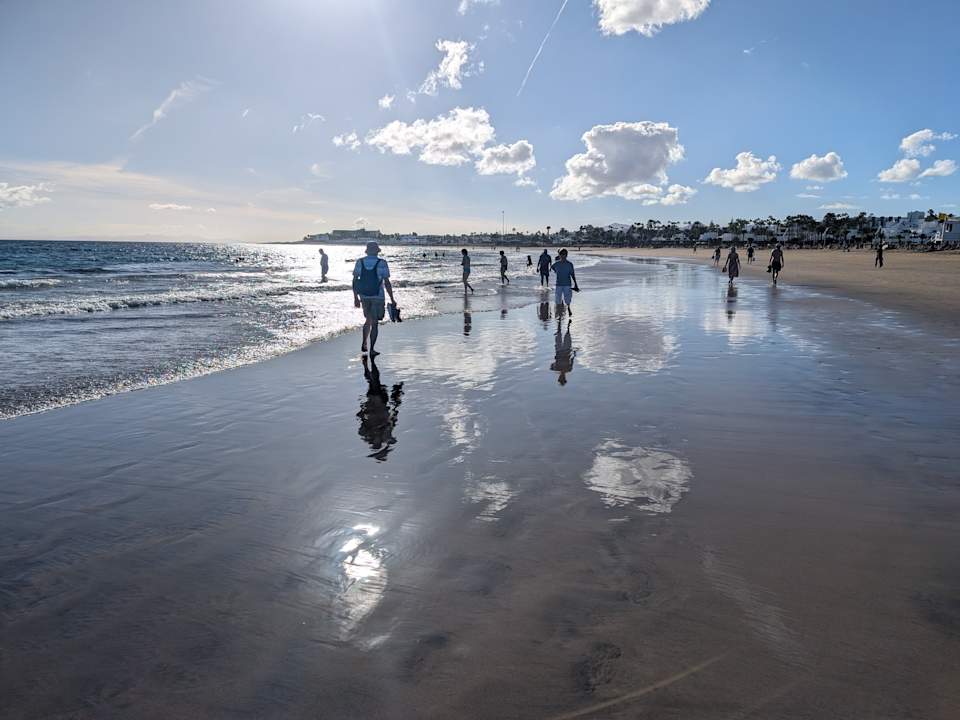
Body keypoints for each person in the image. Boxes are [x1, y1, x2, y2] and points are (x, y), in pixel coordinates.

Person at [352, 241, 396, 357]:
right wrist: (392, 298)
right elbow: (387, 282)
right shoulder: (382, 263)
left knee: (368, 319)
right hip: (378, 296)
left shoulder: (360, 262)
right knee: (374, 323)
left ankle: (364, 342)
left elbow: (355, 281)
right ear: (377, 251)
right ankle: (371, 349)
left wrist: (355, 298)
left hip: (364, 296)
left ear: (367, 251)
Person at [357, 355, 403, 462]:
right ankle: (367, 364)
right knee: (373, 382)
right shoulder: (384, 435)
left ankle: (367, 364)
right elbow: (393, 418)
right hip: (379, 404)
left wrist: (362, 411)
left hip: (375, 404)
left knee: (373, 382)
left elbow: (362, 421)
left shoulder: (368, 434)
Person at [551, 248, 579, 318]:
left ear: (566, 255)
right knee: (558, 299)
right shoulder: (556, 263)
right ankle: (559, 312)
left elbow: (572, 274)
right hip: (558, 284)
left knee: (567, 298)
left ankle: (568, 307)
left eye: (564, 254)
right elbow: (552, 267)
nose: (563, 256)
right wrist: (556, 271)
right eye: (561, 254)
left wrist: (576, 284)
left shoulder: (570, 264)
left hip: (567, 284)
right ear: (559, 255)